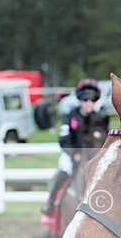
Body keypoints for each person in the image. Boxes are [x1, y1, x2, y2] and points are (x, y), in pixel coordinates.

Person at [40, 79, 107, 216]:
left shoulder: (99, 118)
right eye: (85, 99)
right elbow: (64, 140)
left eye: (92, 100)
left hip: (92, 157)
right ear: (80, 100)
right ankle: (50, 203)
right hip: (72, 154)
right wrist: (73, 154)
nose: (89, 103)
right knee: (64, 170)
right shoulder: (70, 116)